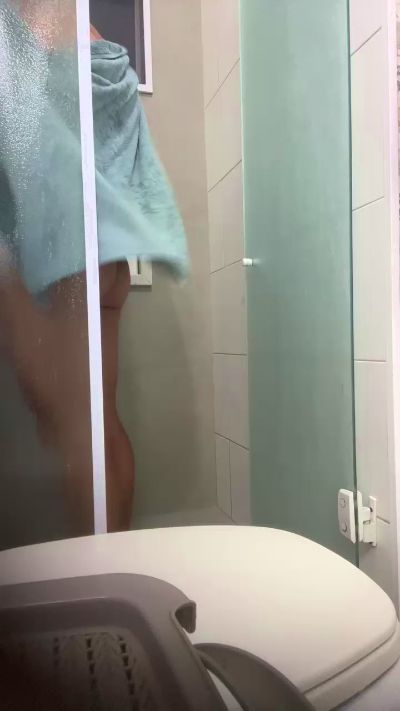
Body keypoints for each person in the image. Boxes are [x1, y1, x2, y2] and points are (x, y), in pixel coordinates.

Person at [0, 3, 187, 535]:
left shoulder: (19, 29)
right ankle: (113, 553)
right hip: (106, 262)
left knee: (71, 430)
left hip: (63, 258)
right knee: (98, 425)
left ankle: (96, 568)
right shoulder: (97, 43)